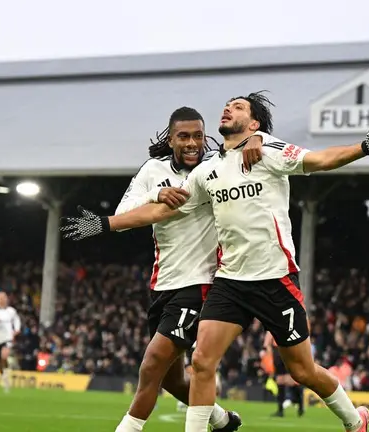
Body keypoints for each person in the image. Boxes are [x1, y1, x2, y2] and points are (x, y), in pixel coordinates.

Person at [61, 91, 369, 432]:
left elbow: (321, 160)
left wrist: (364, 147)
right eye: (227, 105)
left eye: (238, 107)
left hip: (276, 278)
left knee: (302, 371)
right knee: (201, 361)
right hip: (229, 282)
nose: (227, 108)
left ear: (254, 122)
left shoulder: (269, 151)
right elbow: (162, 209)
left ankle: (354, 420)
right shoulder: (206, 170)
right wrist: (105, 223)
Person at [73, 107, 262, 432]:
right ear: (170, 138)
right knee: (172, 381)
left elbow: (254, 145)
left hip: (200, 285)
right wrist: (155, 193)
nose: (192, 143)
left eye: (198, 136)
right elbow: (124, 212)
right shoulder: (153, 169)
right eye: (184, 136)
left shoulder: (216, 166)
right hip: (162, 287)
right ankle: (221, 420)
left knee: (151, 365)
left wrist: (256, 137)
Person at [264, 331, 304, 417]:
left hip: (284, 349)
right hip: (281, 349)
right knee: (281, 380)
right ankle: (282, 409)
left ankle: (298, 405)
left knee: (288, 380)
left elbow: (267, 342)